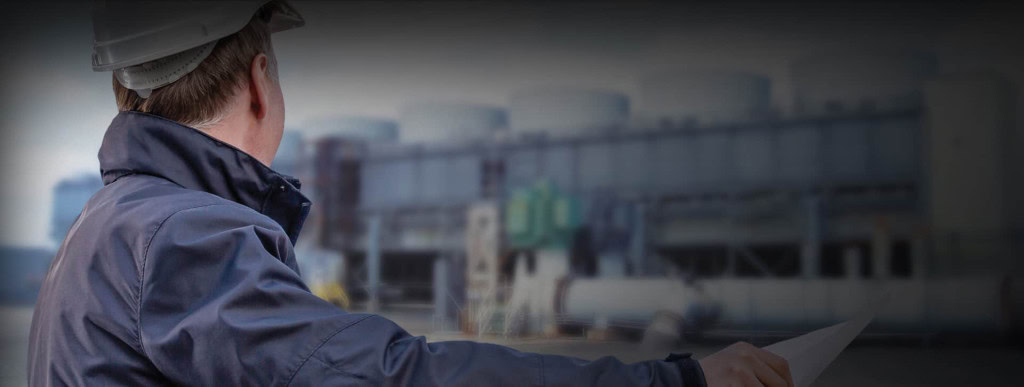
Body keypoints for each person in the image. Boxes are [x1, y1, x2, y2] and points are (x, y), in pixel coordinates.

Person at [27, 1, 792, 386]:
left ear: (126, 93)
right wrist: (677, 378)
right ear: (262, 83)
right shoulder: (182, 234)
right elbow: (394, 377)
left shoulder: (107, 227)